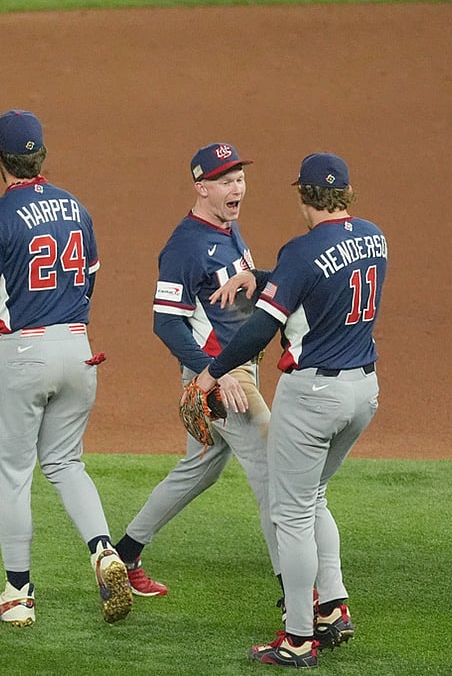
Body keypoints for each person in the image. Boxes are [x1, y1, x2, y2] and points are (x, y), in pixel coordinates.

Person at [0, 110, 131, 627]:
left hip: (23, 355)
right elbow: (90, 279)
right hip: (79, 348)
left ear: (0, 157)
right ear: (41, 156)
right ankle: (104, 550)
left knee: (13, 476)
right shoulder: (76, 208)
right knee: (65, 463)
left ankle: (17, 594)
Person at [195, 152, 386, 668]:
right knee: (315, 495)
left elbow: (261, 328)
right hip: (362, 391)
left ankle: (299, 637)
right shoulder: (374, 236)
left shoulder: (301, 252)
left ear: (303, 196)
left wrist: (214, 371)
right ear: (345, 193)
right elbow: (324, 279)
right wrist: (265, 276)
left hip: (313, 397)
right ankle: (335, 608)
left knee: (291, 513)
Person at [111, 142, 281, 600]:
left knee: (200, 467)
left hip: (238, 369)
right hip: (223, 381)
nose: (237, 188)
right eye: (226, 181)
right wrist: (215, 373)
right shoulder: (185, 247)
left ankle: (122, 554)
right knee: (273, 472)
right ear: (201, 187)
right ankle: (298, 592)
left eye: (240, 179)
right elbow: (164, 322)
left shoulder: (227, 228)